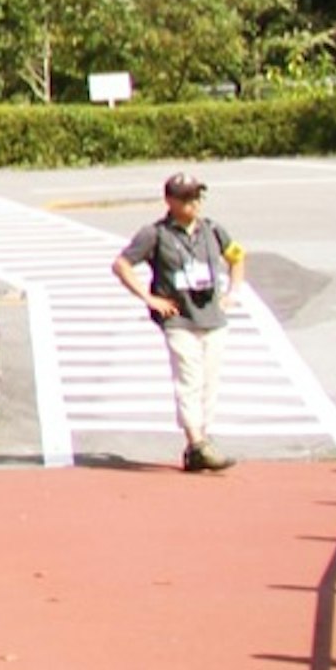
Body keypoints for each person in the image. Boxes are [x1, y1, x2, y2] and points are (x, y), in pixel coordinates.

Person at [113, 171, 246, 472]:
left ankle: (199, 444)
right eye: (186, 198)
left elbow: (237, 256)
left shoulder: (213, 230)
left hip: (213, 317)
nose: (194, 203)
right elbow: (121, 265)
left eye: (197, 196)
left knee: (209, 384)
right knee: (189, 378)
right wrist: (149, 298)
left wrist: (232, 293)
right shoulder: (156, 234)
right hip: (179, 320)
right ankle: (197, 441)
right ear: (170, 201)